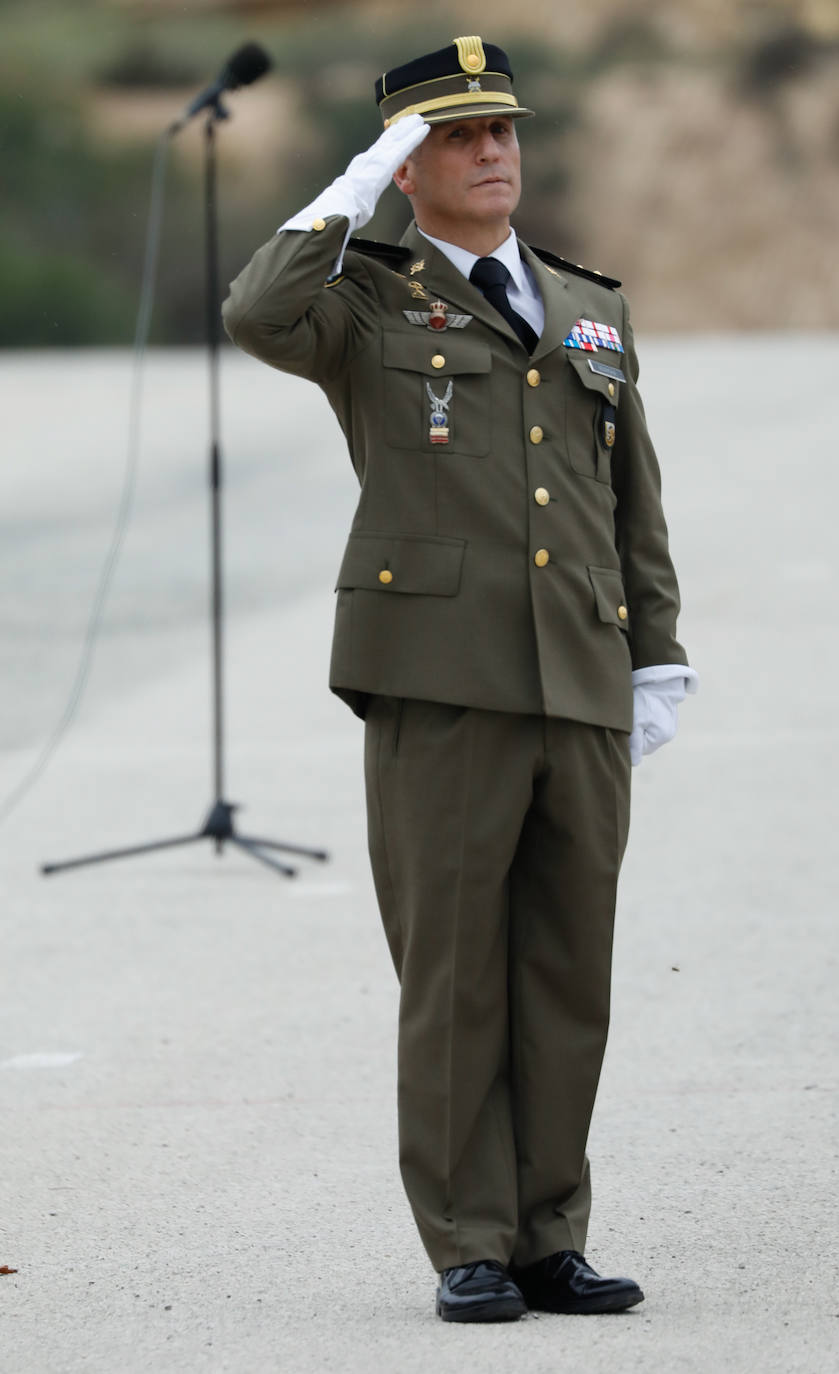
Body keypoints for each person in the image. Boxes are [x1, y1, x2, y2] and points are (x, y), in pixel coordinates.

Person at [223, 35, 697, 1324]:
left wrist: (655, 649)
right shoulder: (364, 298)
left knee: (565, 970)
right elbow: (256, 313)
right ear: (405, 162)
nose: (493, 153)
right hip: (440, 679)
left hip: (582, 677)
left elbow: (629, 496)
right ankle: (467, 1241)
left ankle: (553, 1233)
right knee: (453, 977)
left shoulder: (588, 303)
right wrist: (346, 195)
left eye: (504, 133)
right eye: (457, 136)